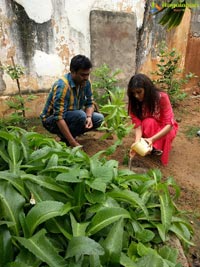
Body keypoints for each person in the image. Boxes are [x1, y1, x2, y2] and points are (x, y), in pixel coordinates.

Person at [40, 54, 104, 147]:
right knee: (81, 116)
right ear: (73, 72)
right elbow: (59, 117)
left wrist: (89, 117)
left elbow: (90, 103)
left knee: (98, 119)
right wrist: (72, 142)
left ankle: (66, 137)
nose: (86, 78)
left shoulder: (86, 83)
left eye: (88, 74)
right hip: (51, 120)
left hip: (72, 115)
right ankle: (68, 140)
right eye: (83, 75)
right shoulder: (62, 86)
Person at [127, 73, 178, 166]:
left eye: (139, 92)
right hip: (150, 127)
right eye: (133, 93)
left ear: (147, 89)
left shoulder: (161, 97)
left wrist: (152, 139)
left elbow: (169, 124)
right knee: (148, 122)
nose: (136, 96)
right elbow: (138, 126)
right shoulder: (134, 103)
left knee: (168, 133)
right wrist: (136, 145)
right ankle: (151, 147)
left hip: (165, 128)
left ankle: (156, 147)